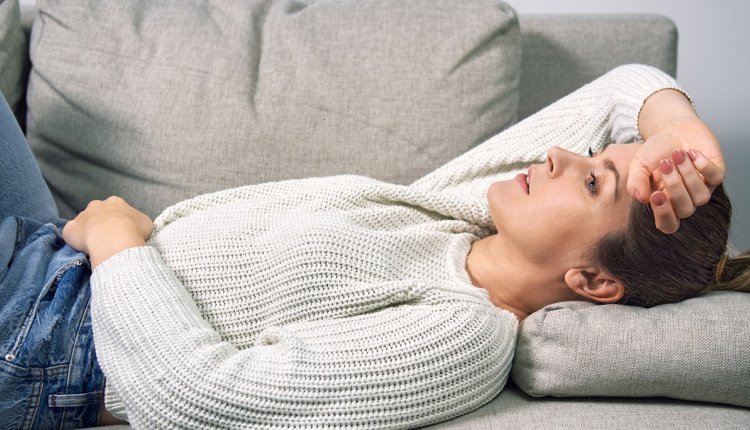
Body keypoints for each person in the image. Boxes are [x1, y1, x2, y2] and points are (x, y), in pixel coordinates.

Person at [1, 64, 748, 429]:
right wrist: (677, 135)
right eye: (598, 156)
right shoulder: (466, 219)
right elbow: (624, 87)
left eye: (593, 183)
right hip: (57, 259)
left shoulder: (462, 334)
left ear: (591, 280)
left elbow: (203, 397)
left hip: (50, 333)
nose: (561, 154)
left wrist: (116, 244)